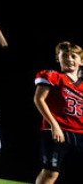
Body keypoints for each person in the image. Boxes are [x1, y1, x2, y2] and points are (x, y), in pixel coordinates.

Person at [34, 42, 83, 184]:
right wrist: (54, 125)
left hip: (80, 131)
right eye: (65, 55)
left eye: (74, 56)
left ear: (81, 60)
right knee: (51, 172)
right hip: (58, 130)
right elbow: (39, 99)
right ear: (58, 58)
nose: (69, 59)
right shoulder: (52, 76)